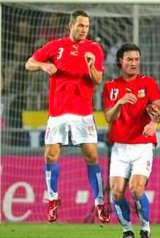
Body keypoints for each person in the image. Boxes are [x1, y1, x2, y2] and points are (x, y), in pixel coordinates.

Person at [25, 10, 110, 223]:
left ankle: (100, 203)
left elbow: (98, 79)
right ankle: (53, 200)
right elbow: (29, 63)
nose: (83, 30)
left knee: (91, 156)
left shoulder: (94, 49)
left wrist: (90, 66)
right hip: (58, 112)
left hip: (83, 113)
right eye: (80, 25)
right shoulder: (55, 46)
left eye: (87, 26)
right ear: (70, 25)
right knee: (50, 155)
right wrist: (43, 65)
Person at [102, 43, 160, 238]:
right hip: (119, 148)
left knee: (136, 188)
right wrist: (119, 103)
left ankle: (145, 228)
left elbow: (159, 109)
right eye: (129, 59)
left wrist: (154, 123)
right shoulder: (111, 87)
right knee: (117, 191)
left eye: (137, 59)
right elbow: (109, 118)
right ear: (120, 61)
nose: (134, 63)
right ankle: (127, 231)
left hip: (142, 145)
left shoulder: (148, 83)